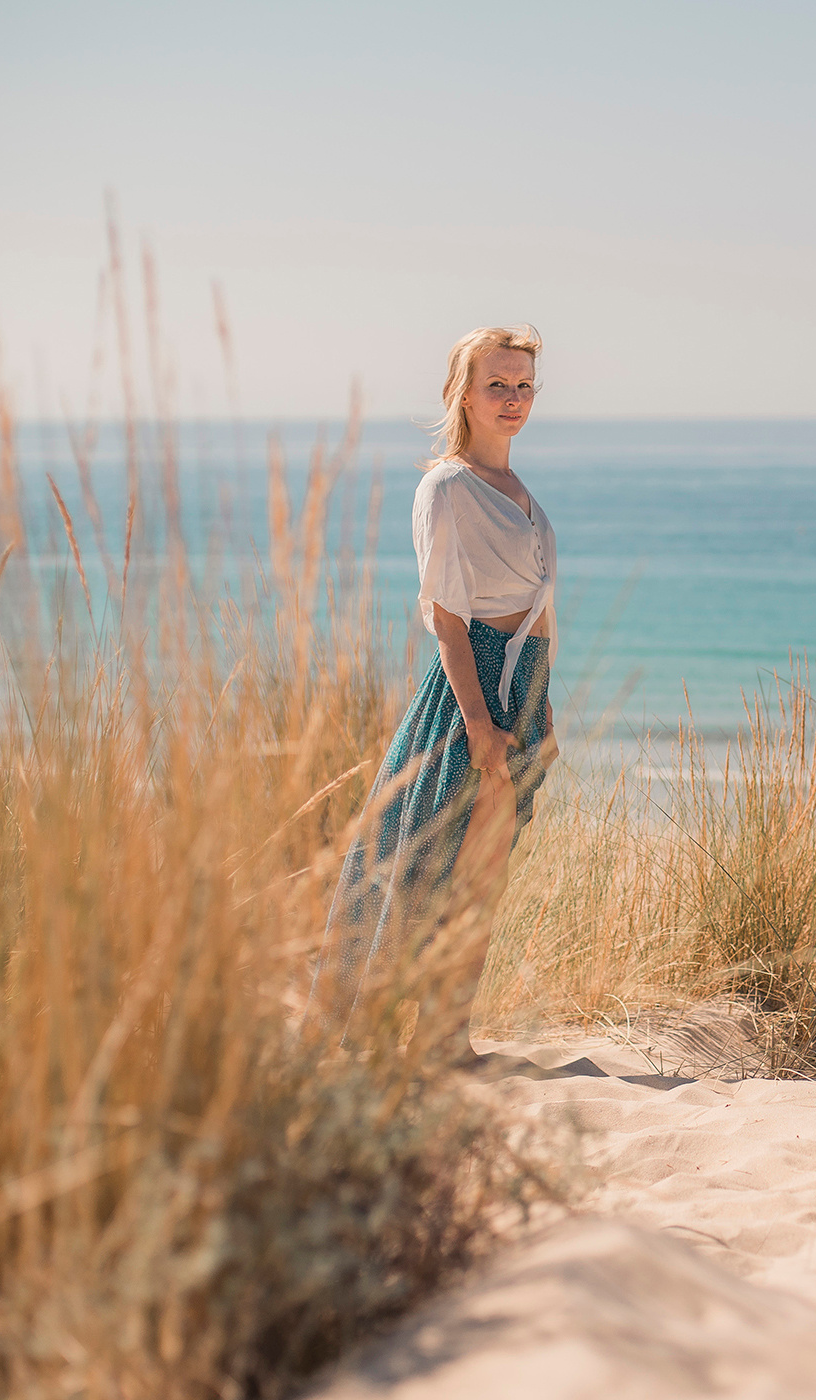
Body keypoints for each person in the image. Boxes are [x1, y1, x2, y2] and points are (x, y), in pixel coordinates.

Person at [309, 323, 558, 1048]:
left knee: (482, 883)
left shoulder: (516, 489)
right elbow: (447, 618)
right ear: (463, 394)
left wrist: (544, 709)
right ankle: (378, 1037)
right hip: (474, 689)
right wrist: (479, 722)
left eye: (523, 385)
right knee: (421, 872)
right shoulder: (446, 486)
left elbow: (541, 611)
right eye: (496, 385)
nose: (513, 399)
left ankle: (445, 1040)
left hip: (524, 686)